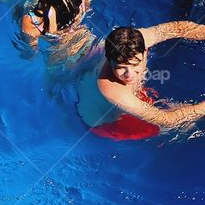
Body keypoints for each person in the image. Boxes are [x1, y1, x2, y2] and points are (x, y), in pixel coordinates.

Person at [77, 23, 205, 139]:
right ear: (109, 61)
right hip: (107, 124)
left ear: (144, 52)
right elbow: (168, 120)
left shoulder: (133, 42)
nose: (129, 74)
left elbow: (178, 29)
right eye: (120, 68)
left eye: (135, 65)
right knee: (185, 126)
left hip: (117, 97)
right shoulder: (115, 92)